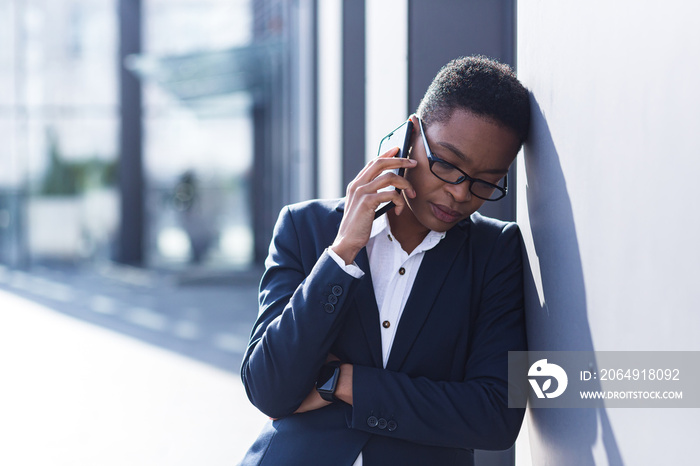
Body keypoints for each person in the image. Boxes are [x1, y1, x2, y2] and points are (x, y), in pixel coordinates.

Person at [239, 55, 530, 466]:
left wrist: (341, 381)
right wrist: (341, 255)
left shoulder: (497, 252)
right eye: (447, 165)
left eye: (486, 182)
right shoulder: (304, 228)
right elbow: (268, 387)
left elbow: (497, 415)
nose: (462, 194)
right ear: (411, 135)